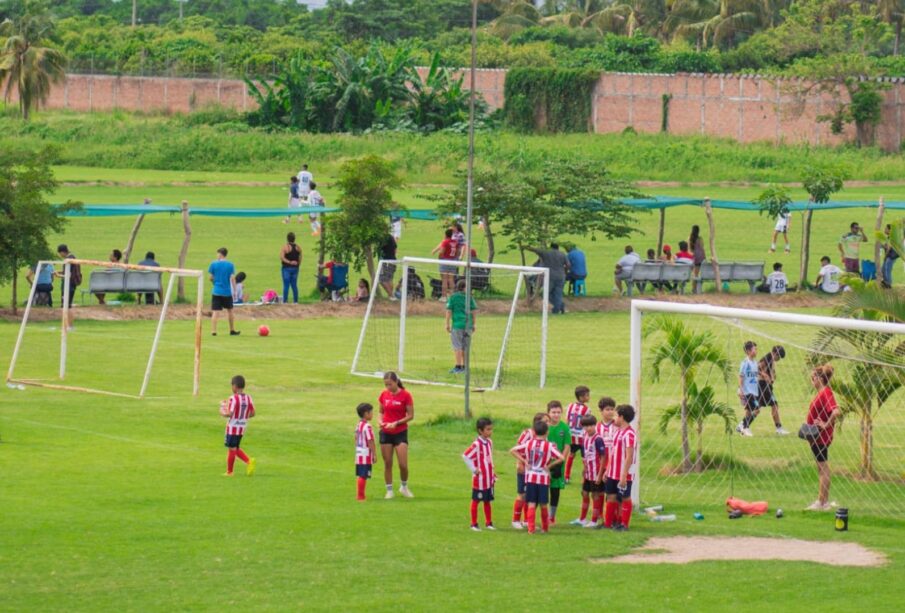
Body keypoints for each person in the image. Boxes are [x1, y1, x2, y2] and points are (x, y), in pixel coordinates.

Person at [509, 419, 563, 535]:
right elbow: (561, 458)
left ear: (534, 432)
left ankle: (531, 529)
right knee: (543, 504)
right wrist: (549, 465)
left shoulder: (529, 443)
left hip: (530, 477)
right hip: (543, 478)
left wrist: (524, 460)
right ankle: (545, 528)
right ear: (547, 432)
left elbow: (512, 450)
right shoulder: (549, 446)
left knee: (531, 503)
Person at [805, 365, 841, 511]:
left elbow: (836, 411)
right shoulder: (822, 392)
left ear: (820, 379)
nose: (811, 380)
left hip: (820, 437)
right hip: (815, 437)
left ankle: (821, 502)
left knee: (823, 468)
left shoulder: (826, 393)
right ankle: (824, 502)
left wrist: (826, 424)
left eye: (813, 377)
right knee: (822, 468)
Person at [378, 372, 414, 499]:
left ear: (396, 381)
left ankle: (404, 486)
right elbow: (381, 412)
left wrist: (396, 423)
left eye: (390, 384)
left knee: (403, 464)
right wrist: (380, 421)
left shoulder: (406, 395)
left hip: (400, 432)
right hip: (386, 432)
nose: (388, 387)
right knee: (388, 463)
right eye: (386, 384)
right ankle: (389, 490)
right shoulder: (383, 394)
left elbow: (410, 415)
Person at [604, 404, 636, 531]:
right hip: (612, 472)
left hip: (624, 474)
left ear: (621, 417)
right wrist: (607, 469)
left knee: (625, 497)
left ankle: (624, 524)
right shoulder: (617, 432)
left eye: (616, 415)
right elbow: (613, 453)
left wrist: (624, 475)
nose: (614, 418)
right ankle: (608, 523)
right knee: (611, 496)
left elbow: (629, 457)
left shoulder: (629, 434)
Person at [511, 414, 544, 529]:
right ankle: (515, 520)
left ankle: (526, 520)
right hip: (524, 469)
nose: (548, 424)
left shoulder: (543, 436)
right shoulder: (528, 434)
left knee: (530, 495)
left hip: (534, 471)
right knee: (522, 494)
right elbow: (517, 448)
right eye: (546, 421)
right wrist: (520, 462)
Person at [462, 417, 496, 531]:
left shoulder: (490, 442)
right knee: (476, 500)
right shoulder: (476, 444)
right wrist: (474, 469)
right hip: (480, 479)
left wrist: (493, 473)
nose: (490, 432)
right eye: (488, 429)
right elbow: (465, 456)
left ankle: (489, 523)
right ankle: (474, 524)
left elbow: (489, 458)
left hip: (488, 478)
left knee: (487, 501)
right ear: (480, 431)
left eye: (491, 429)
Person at [220, 374, 256, 477]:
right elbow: (253, 413)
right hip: (241, 428)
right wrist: (243, 417)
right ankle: (246, 463)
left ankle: (232, 471)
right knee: (234, 448)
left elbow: (229, 414)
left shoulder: (233, 398)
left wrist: (222, 411)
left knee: (231, 449)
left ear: (234, 386)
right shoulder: (249, 398)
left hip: (232, 427)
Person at [577, 414, 606, 528]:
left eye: (591, 425)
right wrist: (584, 469)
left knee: (595, 495)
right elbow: (585, 455)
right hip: (588, 472)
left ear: (595, 425)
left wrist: (600, 474)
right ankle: (582, 519)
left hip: (596, 472)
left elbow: (603, 456)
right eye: (586, 426)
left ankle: (594, 520)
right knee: (584, 493)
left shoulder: (598, 439)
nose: (589, 428)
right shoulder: (585, 437)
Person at [545, 401, 571, 525]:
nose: (556, 415)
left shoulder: (565, 428)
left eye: (558, 412)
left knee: (555, 490)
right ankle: (541, 514)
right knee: (542, 489)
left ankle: (551, 516)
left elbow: (566, 446)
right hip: (544, 464)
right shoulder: (545, 427)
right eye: (553, 412)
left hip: (558, 463)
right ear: (548, 413)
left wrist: (561, 460)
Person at [526, 243, 569, 314]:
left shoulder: (547, 252)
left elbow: (537, 250)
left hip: (550, 276)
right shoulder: (562, 254)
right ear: (558, 247)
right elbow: (568, 265)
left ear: (551, 247)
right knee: (558, 293)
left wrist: (527, 247)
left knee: (545, 294)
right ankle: (558, 307)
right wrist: (565, 272)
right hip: (561, 276)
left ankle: (559, 306)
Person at [446, 279, 477, 374]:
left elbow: (449, 310)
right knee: (465, 346)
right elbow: (474, 311)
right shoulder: (469, 298)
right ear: (463, 288)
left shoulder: (453, 297)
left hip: (457, 325)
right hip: (468, 325)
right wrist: (474, 323)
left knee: (457, 346)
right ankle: (465, 366)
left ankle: (458, 366)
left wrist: (447, 323)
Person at [758, 345, 789, 435]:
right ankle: (744, 425)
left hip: (766, 386)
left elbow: (771, 372)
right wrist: (764, 375)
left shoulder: (771, 359)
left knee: (774, 405)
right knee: (757, 408)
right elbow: (756, 368)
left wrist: (772, 376)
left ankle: (779, 428)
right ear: (775, 354)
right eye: (779, 357)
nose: (778, 359)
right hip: (762, 385)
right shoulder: (767, 358)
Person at [209, 247, 239, 336]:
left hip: (216, 291)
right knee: (230, 310)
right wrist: (234, 290)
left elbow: (210, 277)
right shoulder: (230, 265)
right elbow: (233, 278)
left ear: (220, 254)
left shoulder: (213, 264)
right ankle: (232, 330)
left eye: (217, 254)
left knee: (215, 311)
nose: (216, 256)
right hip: (227, 292)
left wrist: (215, 283)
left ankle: (213, 331)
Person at [565, 385, 590, 483]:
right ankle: (585, 478)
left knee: (571, 455)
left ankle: (566, 476)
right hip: (582, 438)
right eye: (587, 395)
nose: (589, 397)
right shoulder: (587, 409)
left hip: (571, 436)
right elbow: (588, 423)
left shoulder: (570, 406)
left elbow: (567, 420)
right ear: (581, 397)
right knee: (585, 459)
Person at [735, 341, 760, 437]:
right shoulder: (745, 363)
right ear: (749, 351)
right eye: (755, 349)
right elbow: (741, 377)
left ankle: (742, 426)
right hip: (747, 391)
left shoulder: (755, 363)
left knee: (755, 410)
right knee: (751, 410)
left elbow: (754, 375)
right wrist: (740, 390)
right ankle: (745, 428)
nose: (756, 351)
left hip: (754, 391)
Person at [55, 244, 81, 330]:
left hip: (68, 285)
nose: (60, 255)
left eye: (60, 253)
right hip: (72, 284)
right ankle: (67, 325)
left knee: (66, 306)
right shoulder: (73, 257)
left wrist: (59, 275)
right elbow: (68, 271)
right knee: (67, 306)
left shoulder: (69, 259)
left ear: (62, 252)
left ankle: (69, 326)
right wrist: (59, 272)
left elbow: (68, 275)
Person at [355, 402, 377, 501]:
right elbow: (370, 440)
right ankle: (360, 496)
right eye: (371, 412)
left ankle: (360, 495)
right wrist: (375, 454)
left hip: (359, 453)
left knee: (361, 475)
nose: (372, 414)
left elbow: (355, 438)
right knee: (363, 475)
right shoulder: (367, 426)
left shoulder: (358, 425)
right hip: (365, 454)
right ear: (366, 413)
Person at [431, 228, 459, 299]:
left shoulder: (445, 242)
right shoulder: (455, 242)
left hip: (445, 261)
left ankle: (444, 296)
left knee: (444, 279)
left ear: (446, 234)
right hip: (453, 261)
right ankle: (453, 296)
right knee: (451, 279)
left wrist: (440, 258)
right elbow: (458, 252)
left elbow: (441, 252)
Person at [280, 232, 302, 304]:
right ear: (294, 239)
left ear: (287, 238)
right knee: (294, 285)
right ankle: (295, 301)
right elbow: (300, 257)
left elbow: (282, 258)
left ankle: (285, 301)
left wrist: (289, 262)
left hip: (286, 268)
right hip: (295, 269)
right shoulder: (298, 247)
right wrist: (298, 264)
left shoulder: (285, 247)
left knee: (286, 285)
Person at [378, 233, 397, 300]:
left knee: (381, 279)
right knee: (390, 279)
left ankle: (391, 295)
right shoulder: (391, 237)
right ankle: (391, 296)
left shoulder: (382, 238)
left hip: (385, 261)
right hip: (393, 260)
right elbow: (395, 249)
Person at [881, 224, 899, 288]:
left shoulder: (892, 237)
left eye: (886, 229)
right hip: (889, 255)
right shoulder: (889, 237)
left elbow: (889, 248)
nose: (884, 230)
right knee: (883, 269)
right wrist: (882, 245)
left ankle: (888, 284)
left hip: (891, 256)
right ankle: (885, 281)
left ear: (890, 230)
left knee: (887, 269)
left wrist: (885, 257)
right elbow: (886, 247)